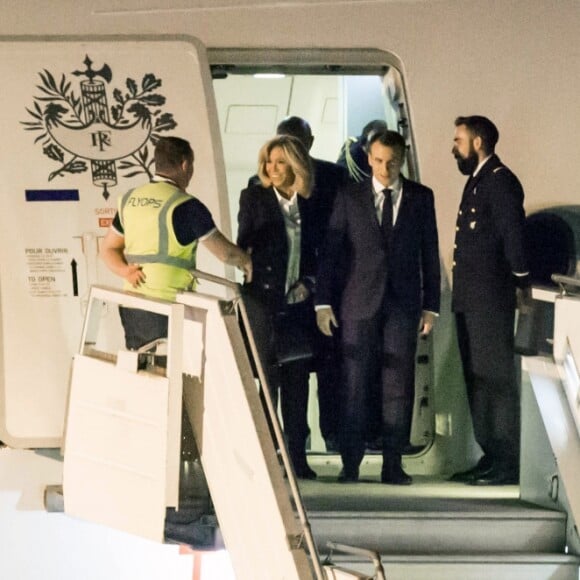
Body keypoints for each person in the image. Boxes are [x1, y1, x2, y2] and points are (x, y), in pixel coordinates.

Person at [316, 129, 440, 484]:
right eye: (379, 161)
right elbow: (332, 250)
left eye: (392, 161)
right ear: (369, 159)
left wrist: (430, 305)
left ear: (402, 160)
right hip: (357, 303)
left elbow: (429, 253)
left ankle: (392, 464)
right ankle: (351, 464)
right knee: (354, 384)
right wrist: (323, 302)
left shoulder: (420, 197)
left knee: (399, 387)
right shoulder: (349, 195)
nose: (385, 168)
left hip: (403, 305)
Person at [100, 136, 252, 350]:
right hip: (169, 305)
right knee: (175, 373)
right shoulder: (186, 205)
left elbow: (108, 249)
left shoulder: (129, 199)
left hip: (133, 303)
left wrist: (125, 270)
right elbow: (225, 254)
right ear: (185, 164)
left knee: (144, 367)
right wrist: (247, 261)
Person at [450, 115, 531, 486]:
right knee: (478, 380)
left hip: (491, 299)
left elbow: (513, 235)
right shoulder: (478, 181)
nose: (455, 147)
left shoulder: (499, 182)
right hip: (471, 298)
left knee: (495, 380)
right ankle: (490, 453)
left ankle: (506, 458)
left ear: (478, 141)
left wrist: (520, 280)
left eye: (459, 140)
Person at [237, 134, 318, 479]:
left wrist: (309, 284)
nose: (272, 167)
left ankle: (297, 455)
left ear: (296, 164)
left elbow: (322, 251)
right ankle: (268, 455)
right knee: (267, 383)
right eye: (269, 161)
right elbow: (244, 244)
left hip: (298, 302)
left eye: (280, 161)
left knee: (298, 382)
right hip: (263, 301)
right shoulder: (254, 197)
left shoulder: (313, 201)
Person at [273, 116, 348, 452]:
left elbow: (341, 238)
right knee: (291, 371)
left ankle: (331, 435)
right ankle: (295, 442)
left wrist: (317, 281)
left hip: (326, 286)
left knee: (330, 367)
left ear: (311, 142)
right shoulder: (261, 183)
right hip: (284, 293)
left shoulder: (332, 176)